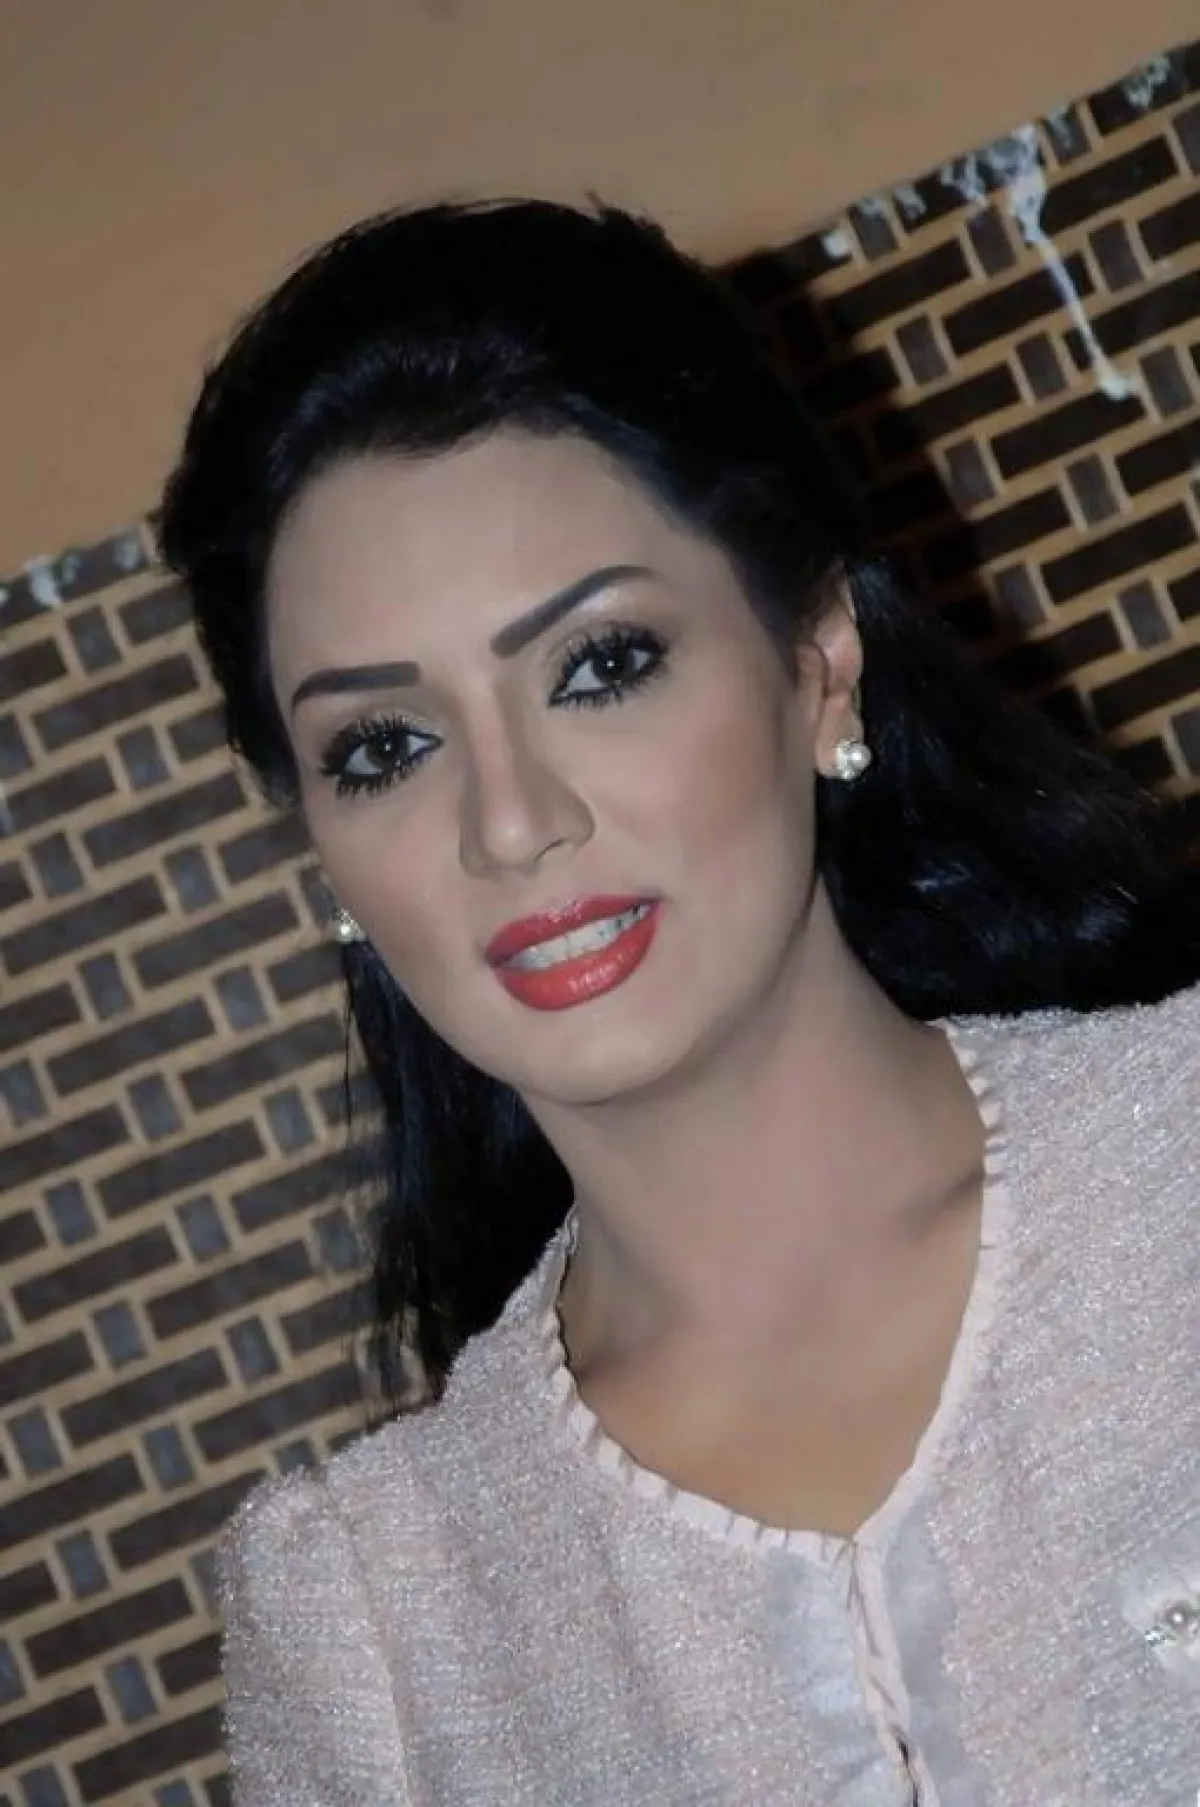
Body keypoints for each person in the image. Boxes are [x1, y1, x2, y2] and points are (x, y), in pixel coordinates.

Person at [160, 199, 1197, 1806]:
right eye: (384, 747)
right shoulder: (377, 1620)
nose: (513, 822)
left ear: (819, 662)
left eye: (601, 664)